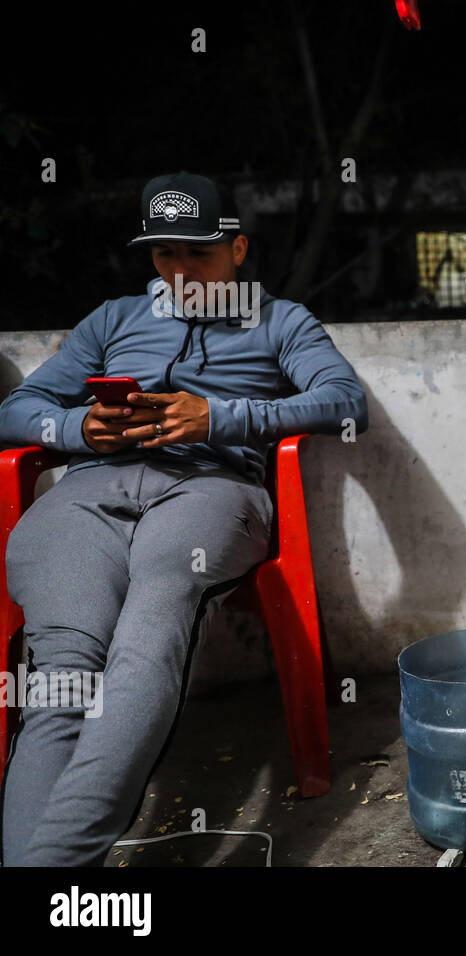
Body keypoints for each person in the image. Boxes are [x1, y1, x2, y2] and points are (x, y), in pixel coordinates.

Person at [0, 172, 368, 866]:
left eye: (196, 253)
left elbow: (346, 403)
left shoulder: (280, 319)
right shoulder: (111, 319)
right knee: (62, 674)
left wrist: (220, 416)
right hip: (88, 498)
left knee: (148, 638)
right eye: (163, 254)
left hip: (207, 494)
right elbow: (14, 413)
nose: (178, 271)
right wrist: (83, 427)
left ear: (237, 249)